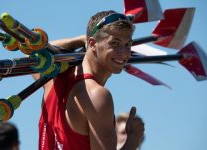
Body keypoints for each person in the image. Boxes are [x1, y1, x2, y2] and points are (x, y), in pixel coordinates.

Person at [37, 10, 141, 150]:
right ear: (92, 44)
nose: (124, 53)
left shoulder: (53, 78)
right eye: (115, 43)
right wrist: (133, 140)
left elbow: (36, 57)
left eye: (128, 44)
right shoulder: (97, 96)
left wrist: (80, 40)